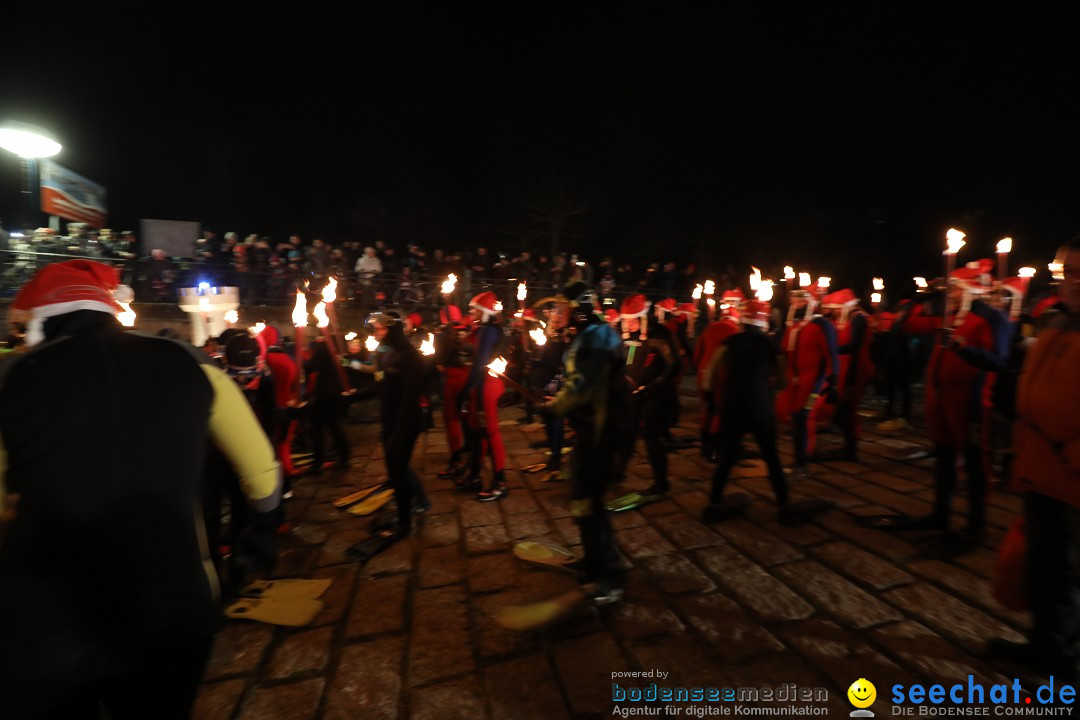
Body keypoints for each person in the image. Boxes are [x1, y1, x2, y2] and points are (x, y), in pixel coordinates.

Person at [0, 260, 281, 719]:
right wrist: (259, 538)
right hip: (170, 607)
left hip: (47, 621)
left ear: (38, 322)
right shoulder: (193, 364)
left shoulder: (11, 379)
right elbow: (264, 475)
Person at [987, 236, 1080, 679]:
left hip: (1072, 477)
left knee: (1069, 577)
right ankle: (1044, 645)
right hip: (1038, 469)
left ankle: (1067, 667)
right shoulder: (1054, 322)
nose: (1076, 283)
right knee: (1042, 569)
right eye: (1069, 274)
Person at [902, 259, 1011, 535]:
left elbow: (1000, 361)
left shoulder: (992, 317)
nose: (949, 295)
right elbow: (908, 325)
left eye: (954, 289)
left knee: (975, 464)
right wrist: (921, 295)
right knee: (944, 459)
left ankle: (975, 525)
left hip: (970, 402)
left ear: (972, 289)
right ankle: (941, 514)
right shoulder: (950, 317)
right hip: (941, 399)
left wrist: (964, 350)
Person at [542, 281, 627, 603]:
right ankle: (596, 561)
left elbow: (581, 386)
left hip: (601, 434)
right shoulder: (592, 334)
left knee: (590, 504)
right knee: (582, 499)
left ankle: (610, 575)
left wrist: (554, 407)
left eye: (563, 308)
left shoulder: (595, 337)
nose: (557, 314)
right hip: (592, 432)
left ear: (578, 309)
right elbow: (568, 377)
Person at [703, 300, 793, 524]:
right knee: (771, 455)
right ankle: (784, 504)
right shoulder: (771, 345)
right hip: (759, 405)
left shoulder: (729, 342)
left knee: (728, 456)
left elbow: (709, 372)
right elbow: (783, 382)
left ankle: (714, 502)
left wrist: (712, 400)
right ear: (763, 320)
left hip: (732, 405)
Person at [617, 294, 678, 501]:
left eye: (633, 320)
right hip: (629, 394)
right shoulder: (621, 332)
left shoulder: (659, 333)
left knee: (652, 437)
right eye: (626, 320)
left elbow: (672, 364)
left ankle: (661, 483)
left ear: (643, 317)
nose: (629, 324)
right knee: (626, 433)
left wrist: (652, 387)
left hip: (654, 395)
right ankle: (617, 474)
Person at [463, 291, 509, 501]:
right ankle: (474, 473)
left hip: (487, 385)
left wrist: (466, 390)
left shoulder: (487, 331)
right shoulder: (485, 329)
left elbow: (480, 363)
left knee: (490, 432)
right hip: (484, 384)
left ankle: (500, 481)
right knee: (477, 429)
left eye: (475, 309)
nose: (471, 312)